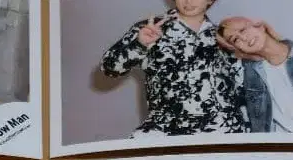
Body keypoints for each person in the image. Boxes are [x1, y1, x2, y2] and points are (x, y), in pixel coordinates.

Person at [100, 0, 247, 138]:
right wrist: (140, 44)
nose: (188, 1)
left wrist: (246, 134)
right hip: (165, 130)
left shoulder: (225, 37)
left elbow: (241, 88)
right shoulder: (151, 28)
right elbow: (109, 68)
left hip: (222, 131)